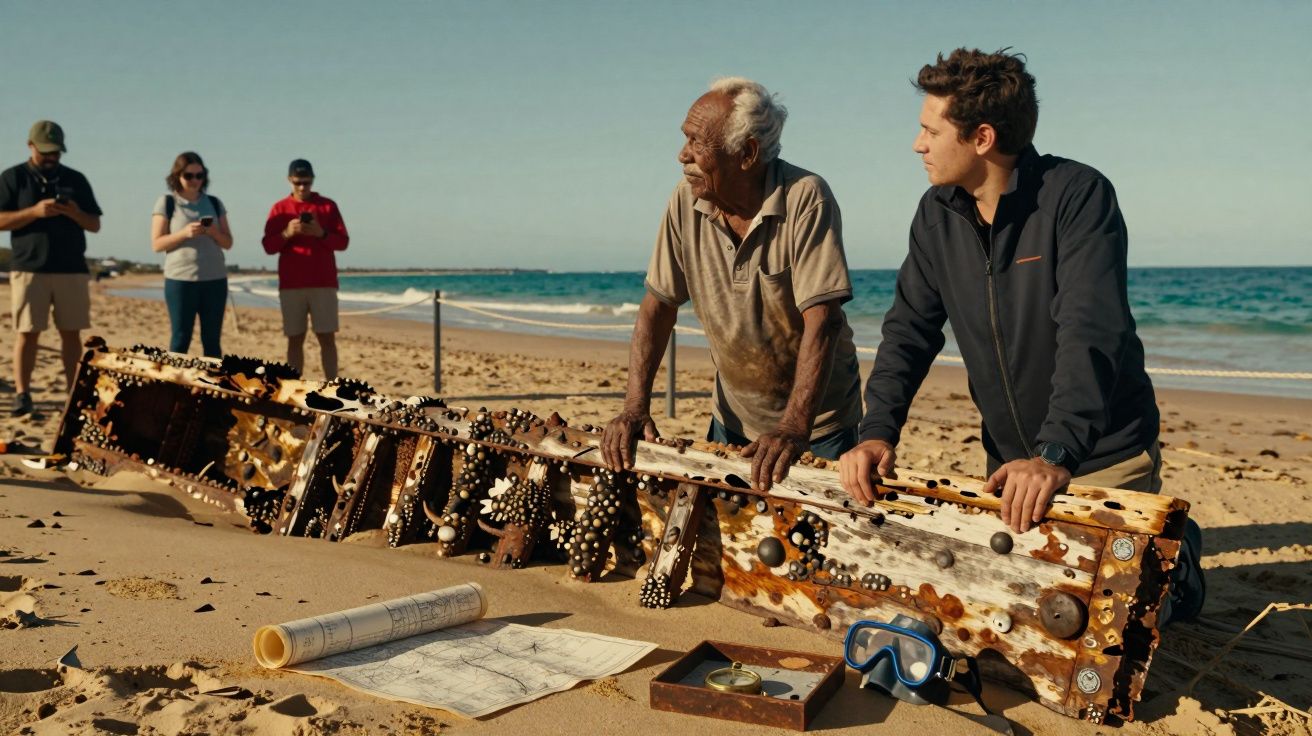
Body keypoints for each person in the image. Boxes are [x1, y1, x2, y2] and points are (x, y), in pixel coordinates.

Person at [837, 48, 1203, 621]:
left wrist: (1055, 453)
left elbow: (1091, 328)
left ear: (982, 138)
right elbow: (909, 330)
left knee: (1113, 622)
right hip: (1011, 467)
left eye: (931, 130)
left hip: (1103, 452)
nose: (917, 144)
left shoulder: (1076, 195)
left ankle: (1183, 567)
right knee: (1015, 612)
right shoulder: (936, 214)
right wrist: (877, 431)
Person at [602, 78, 863, 491]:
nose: (682, 154)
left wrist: (794, 427)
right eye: (685, 138)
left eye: (696, 142)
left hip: (819, 426)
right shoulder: (685, 200)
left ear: (747, 154)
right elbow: (658, 307)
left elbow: (824, 321)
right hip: (732, 419)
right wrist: (635, 407)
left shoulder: (805, 197)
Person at [0, 121, 102, 416]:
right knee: (27, 332)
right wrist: (34, 212)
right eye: (45, 152)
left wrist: (75, 212)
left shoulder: (76, 179)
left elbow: (94, 224)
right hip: (29, 267)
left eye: (56, 152)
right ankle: (23, 394)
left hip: (71, 268)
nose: (51, 157)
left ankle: (74, 394)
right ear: (30, 146)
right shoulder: (13, 177)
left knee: (71, 333)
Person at [261, 159, 349, 378]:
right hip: (292, 284)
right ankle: (294, 384)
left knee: (327, 338)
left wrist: (321, 233)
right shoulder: (279, 208)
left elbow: (343, 242)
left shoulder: (327, 206)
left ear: (313, 181)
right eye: (298, 182)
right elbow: (268, 246)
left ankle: (332, 385)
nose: (302, 187)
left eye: (306, 182)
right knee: (294, 338)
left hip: (323, 283)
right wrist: (287, 233)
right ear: (289, 180)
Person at [150, 152, 233, 357]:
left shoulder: (214, 203)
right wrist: (184, 233)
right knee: (180, 339)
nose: (195, 180)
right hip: (180, 280)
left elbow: (228, 243)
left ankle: (211, 379)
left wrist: (213, 232)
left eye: (199, 175)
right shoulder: (167, 202)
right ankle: (175, 379)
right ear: (177, 176)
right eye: (189, 176)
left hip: (214, 280)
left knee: (212, 342)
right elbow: (157, 244)